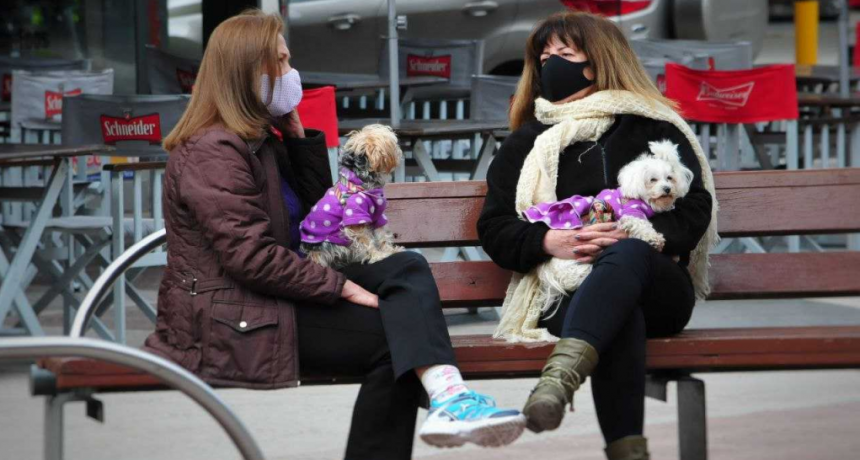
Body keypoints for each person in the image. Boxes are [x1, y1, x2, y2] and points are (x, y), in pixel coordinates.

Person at [144, 10, 525, 459]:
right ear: (246, 73)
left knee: (406, 264)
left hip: (274, 298)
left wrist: (298, 140)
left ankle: (448, 398)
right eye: (280, 63)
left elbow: (322, 221)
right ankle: (448, 397)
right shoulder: (214, 151)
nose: (291, 74)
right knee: (393, 341)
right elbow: (250, 258)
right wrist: (339, 286)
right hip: (228, 319)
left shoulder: (259, 140)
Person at [477, 11, 718, 460]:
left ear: (599, 62)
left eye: (564, 55)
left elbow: (693, 210)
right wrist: (551, 241)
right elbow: (494, 229)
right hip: (564, 289)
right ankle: (627, 451)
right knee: (617, 313)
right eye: (544, 57)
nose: (551, 65)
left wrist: (639, 233)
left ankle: (556, 383)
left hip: (658, 284)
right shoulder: (526, 142)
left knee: (626, 255)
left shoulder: (654, 128)